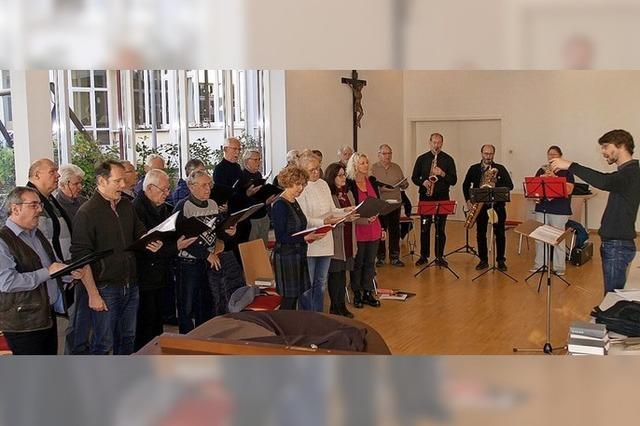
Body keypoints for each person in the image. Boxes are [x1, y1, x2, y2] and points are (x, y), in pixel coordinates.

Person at [71, 160, 163, 355]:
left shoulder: (126, 206)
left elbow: (140, 232)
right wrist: (93, 294)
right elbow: (81, 257)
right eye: (118, 181)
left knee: (127, 337)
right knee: (103, 342)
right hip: (105, 287)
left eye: (123, 180)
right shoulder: (87, 213)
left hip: (130, 283)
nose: (123, 185)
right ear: (102, 181)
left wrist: (151, 241)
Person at [551, 129, 640, 294]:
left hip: (617, 244)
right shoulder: (628, 173)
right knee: (612, 296)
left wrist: (571, 165)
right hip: (615, 243)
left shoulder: (631, 173)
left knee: (612, 297)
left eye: (606, 147)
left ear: (620, 145)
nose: (603, 152)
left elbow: (603, 181)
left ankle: (611, 318)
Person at [0, 187, 83, 354]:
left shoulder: (36, 234)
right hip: (23, 323)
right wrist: (48, 272)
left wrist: (67, 273)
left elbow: (51, 266)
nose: (40, 210)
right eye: (34, 205)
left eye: (40, 205)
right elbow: (7, 282)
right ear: (15, 208)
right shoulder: (3, 240)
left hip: (46, 316)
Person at [132, 169, 197, 350]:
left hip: (161, 271)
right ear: (150, 188)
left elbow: (165, 238)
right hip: (145, 273)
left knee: (156, 320)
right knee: (146, 322)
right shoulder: (137, 209)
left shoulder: (162, 207)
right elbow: (149, 246)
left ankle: (155, 351)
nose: (167, 194)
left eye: (168, 189)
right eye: (164, 190)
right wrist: (175, 246)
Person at [172, 170, 235, 333]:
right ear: (191, 187)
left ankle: (202, 337)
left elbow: (217, 232)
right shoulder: (183, 206)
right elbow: (180, 239)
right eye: (203, 185)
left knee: (205, 303)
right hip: (188, 262)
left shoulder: (213, 204)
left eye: (209, 185)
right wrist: (206, 254)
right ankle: (186, 341)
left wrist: (228, 233)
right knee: (186, 305)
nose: (208, 189)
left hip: (208, 261)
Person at [296, 153, 346, 312]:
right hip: (311, 241)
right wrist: (323, 222)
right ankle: (307, 317)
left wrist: (346, 212)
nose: (316, 172)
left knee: (321, 282)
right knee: (308, 283)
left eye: (318, 168)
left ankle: (318, 315)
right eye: (312, 170)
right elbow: (303, 218)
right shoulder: (300, 188)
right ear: (303, 170)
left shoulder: (324, 184)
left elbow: (332, 210)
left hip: (326, 240)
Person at [271, 165, 324, 310]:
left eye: (303, 184)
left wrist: (310, 235)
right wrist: (305, 238)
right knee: (289, 299)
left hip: (298, 254)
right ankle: (282, 329)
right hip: (286, 257)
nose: (301, 188)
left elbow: (298, 227)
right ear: (288, 183)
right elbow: (281, 237)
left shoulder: (294, 201)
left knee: (296, 295)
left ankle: (290, 327)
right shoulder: (280, 205)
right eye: (297, 184)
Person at [462, 144, 514, 271]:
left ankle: (501, 260)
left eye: (490, 154)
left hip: (497, 206)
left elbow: (510, 186)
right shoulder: (474, 169)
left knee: (500, 233)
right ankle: (483, 260)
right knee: (481, 234)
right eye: (486, 154)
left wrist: (496, 183)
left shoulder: (500, 168)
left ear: (493, 154)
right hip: (480, 206)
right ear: (481, 154)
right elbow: (465, 185)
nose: (488, 156)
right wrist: (468, 200)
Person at [411, 133, 457, 267]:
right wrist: (423, 182)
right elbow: (414, 177)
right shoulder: (422, 159)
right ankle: (424, 256)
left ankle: (439, 256)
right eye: (434, 142)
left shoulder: (448, 159)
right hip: (426, 197)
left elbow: (453, 180)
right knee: (424, 228)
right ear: (429, 142)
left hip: (442, 197)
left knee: (440, 229)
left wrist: (442, 173)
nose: (436, 145)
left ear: (442, 143)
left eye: (439, 143)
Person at [346, 152, 385, 309]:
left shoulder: (372, 182)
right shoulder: (350, 184)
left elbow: (378, 205)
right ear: (355, 165)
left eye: (366, 162)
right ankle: (357, 293)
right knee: (358, 263)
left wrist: (382, 227)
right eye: (362, 163)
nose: (366, 165)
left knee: (370, 262)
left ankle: (368, 292)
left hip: (374, 226)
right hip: (358, 228)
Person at [531, 146, 575, 276]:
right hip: (542, 208)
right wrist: (541, 179)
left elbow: (569, 190)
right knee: (539, 238)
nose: (551, 157)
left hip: (559, 210)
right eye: (549, 154)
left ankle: (559, 267)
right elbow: (534, 189)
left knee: (558, 239)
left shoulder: (567, 171)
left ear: (560, 156)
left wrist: (554, 178)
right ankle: (540, 264)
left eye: (554, 155)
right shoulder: (542, 169)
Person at [324, 162, 358, 317]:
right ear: (332, 177)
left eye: (344, 174)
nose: (344, 177)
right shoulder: (329, 196)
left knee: (343, 274)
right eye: (340, 175)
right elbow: (329, 217)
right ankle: (334, 306)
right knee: (335, 275)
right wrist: (346, 219)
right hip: (336, 241)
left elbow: (355, 214)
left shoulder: (348, 193)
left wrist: (367, 218)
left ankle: (342, 305)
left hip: (349, 239)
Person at [371, 144, 409, 267]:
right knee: (381, 230)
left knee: (394, 231)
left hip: (395, 203)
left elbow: (404, 184)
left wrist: (404, 184)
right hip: (381, 204)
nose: (387, 156)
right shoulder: (373, 168)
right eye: (384, 153)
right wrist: (381, 189)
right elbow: (371, 186)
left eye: (389, 153)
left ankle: (394, 256)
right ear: (379, 155)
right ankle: (380, 257)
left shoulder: (396, 167)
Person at [239, 149, 275, 246]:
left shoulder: (258, 175)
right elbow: (242, 200)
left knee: (263, 248)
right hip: (251, 219)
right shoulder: (242, 176)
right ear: (246, 161)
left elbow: (260, 194)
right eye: (255, 160)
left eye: (259, 159)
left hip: (263, 214)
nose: (258, 162)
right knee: (252, 249)